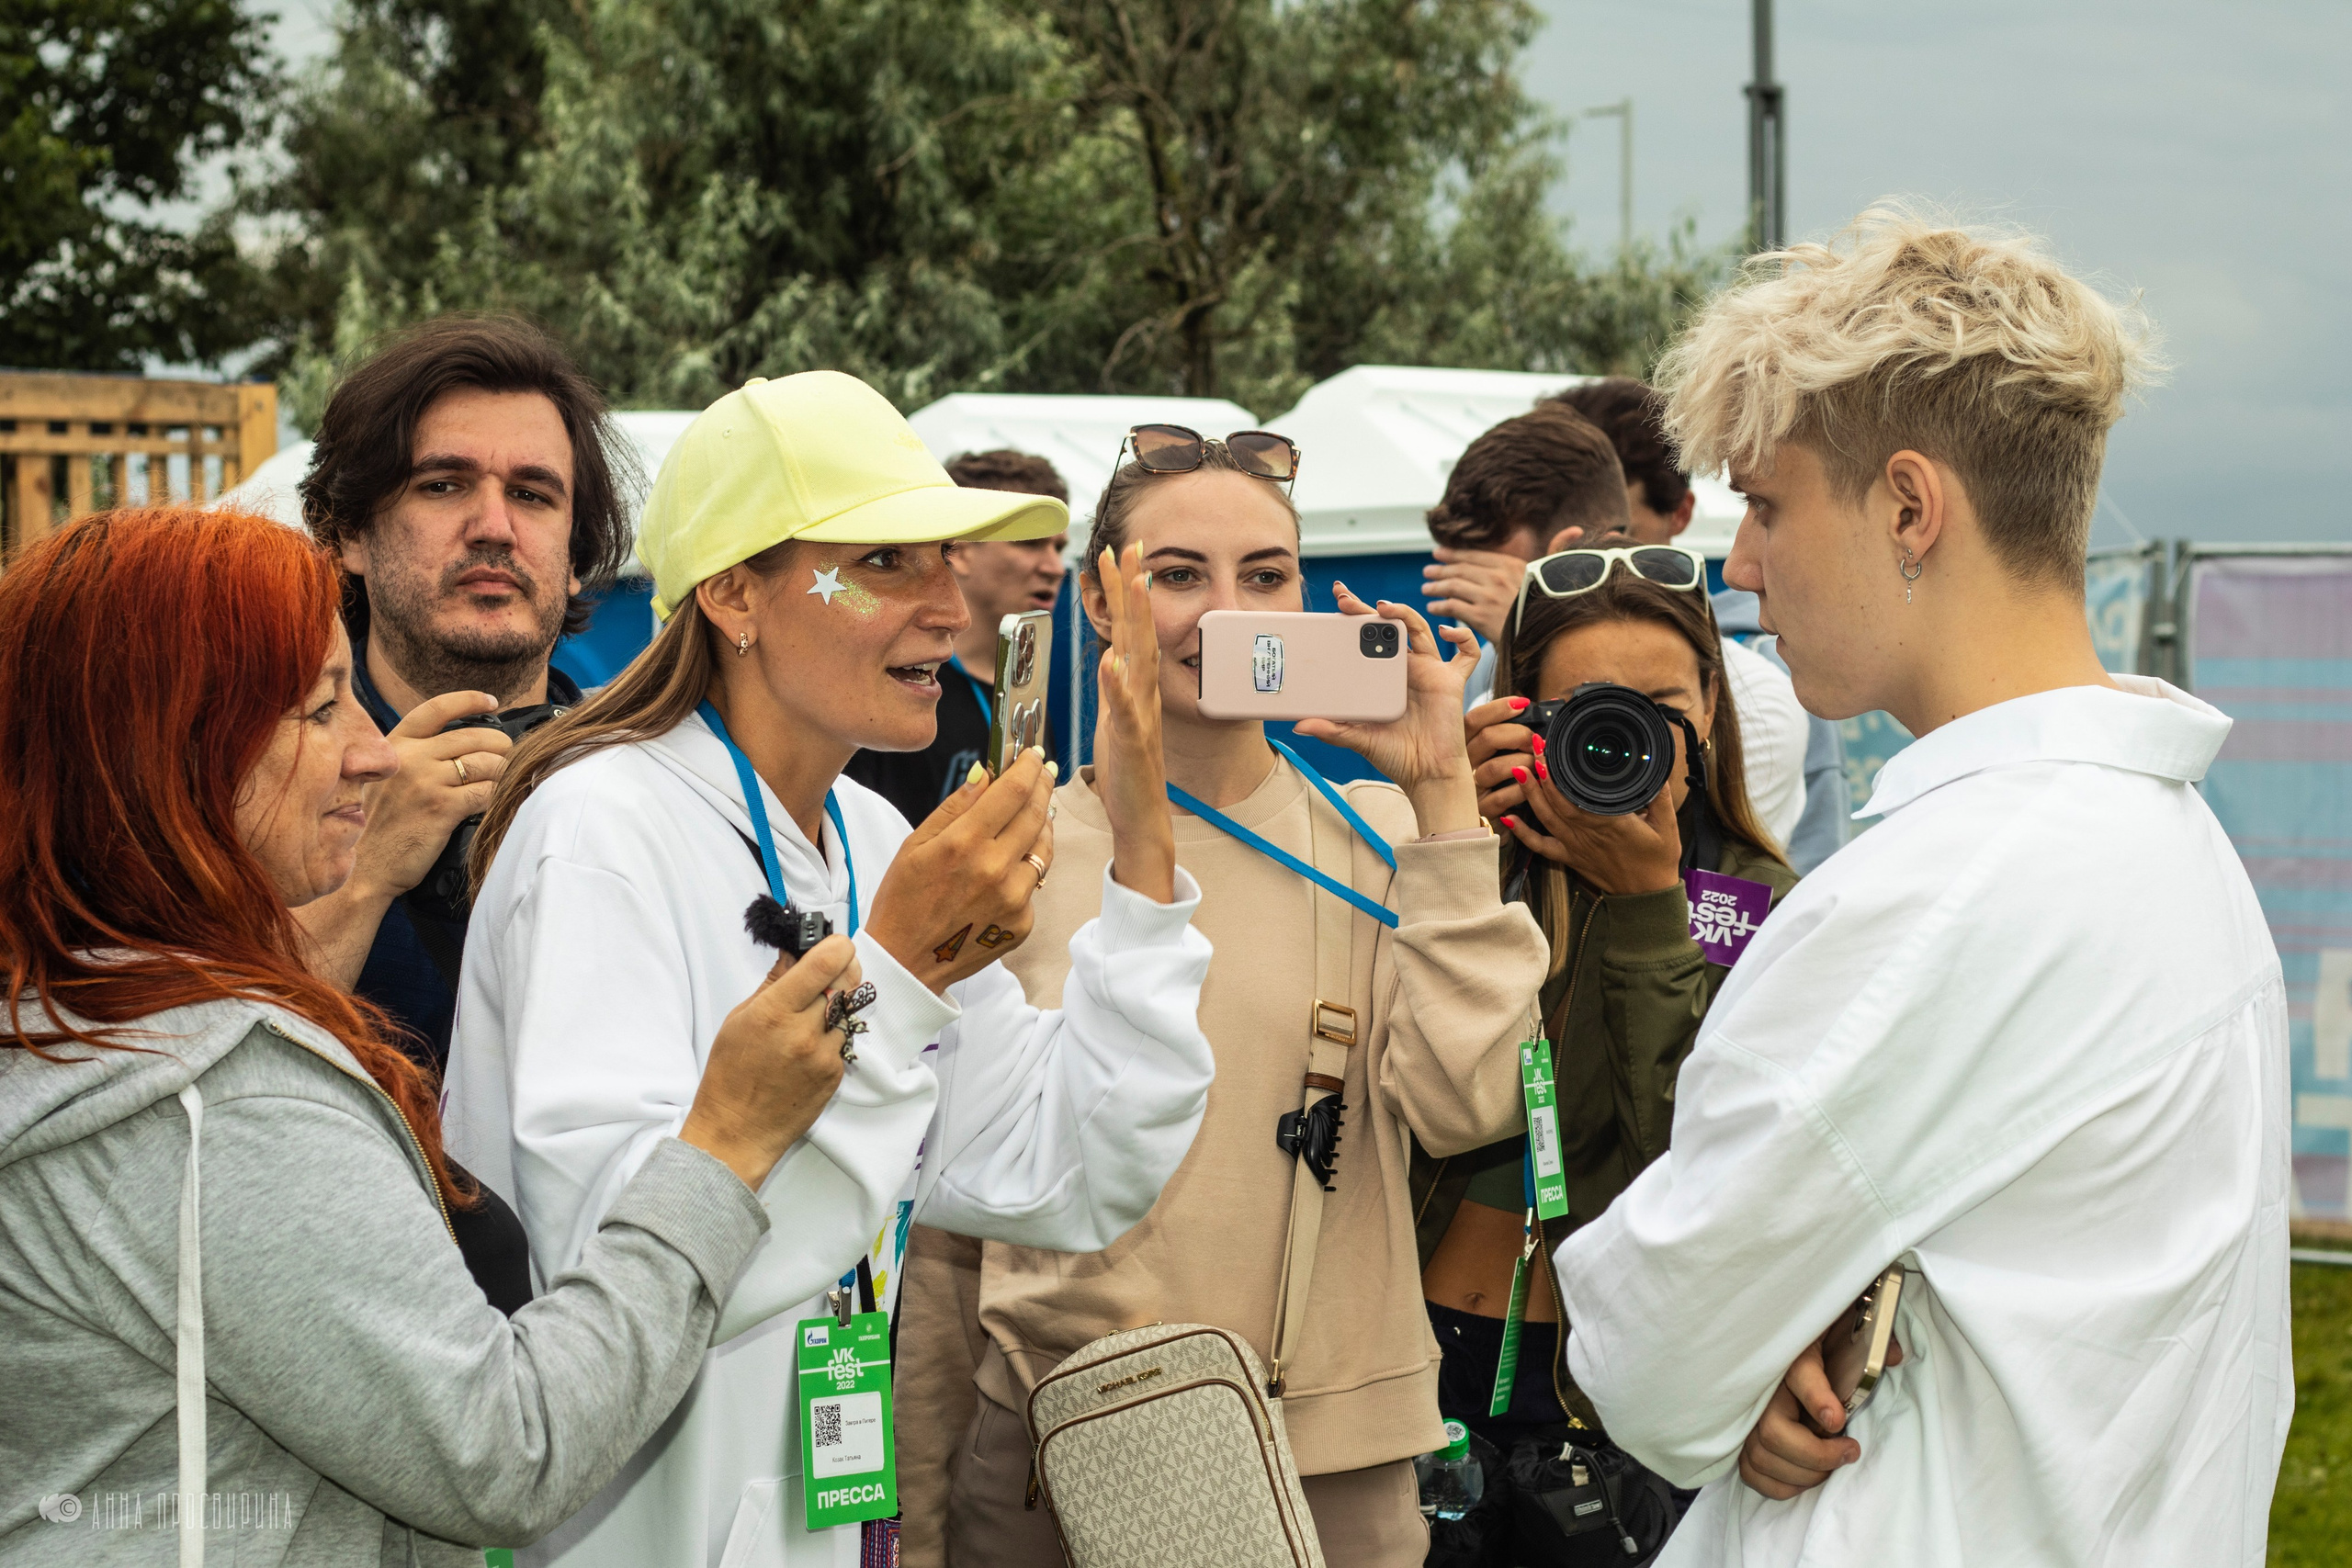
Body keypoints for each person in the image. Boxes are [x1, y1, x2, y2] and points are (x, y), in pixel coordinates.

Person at [1553, 209, 2290, 1566]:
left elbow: (1645, 1353)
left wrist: (1749, 1339)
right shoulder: (2172, 842)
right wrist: (1790, 1322)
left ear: (1908, 507)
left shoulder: (1940, 893)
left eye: (1767, 504)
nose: (1742, 565)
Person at [442, 371, 1217, 1568]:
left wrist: (1146, 858)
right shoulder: (599, 827)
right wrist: (896, 975)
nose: (950, 608)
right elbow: (619, 1248)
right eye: (889, 561)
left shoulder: (866, 835)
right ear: (737, 592)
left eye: (948, 562)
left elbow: (1065, 1161)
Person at [0, 508, 861, 1565]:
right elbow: (512, 1453)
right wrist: (725, 1142)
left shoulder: (81, 1008)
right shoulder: (215, 1107)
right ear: (165, 752)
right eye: (322, 710)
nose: (372, 753)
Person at [892, 430, 1552, 1568]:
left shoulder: (1383, 835)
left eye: (1264, 576)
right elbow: (949, 1235)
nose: (1221, 614)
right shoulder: (1008, 845)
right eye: (1176, 575)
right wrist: (915, 1511)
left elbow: (1476, 1105)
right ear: (1102, 602)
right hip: (1062, 1455)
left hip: (1327, 1465)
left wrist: (1444, 794)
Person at [1414, 531, 1799, 1562]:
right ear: (1513, 714)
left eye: (1659, 714)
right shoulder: (1452, 861)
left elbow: (1694, 1164)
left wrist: (1644, 910)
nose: (1620, 744)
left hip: (1617, 1376)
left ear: (1712, 710)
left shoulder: (1757, 905)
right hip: (1422, 1355)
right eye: (1582, 714)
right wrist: (1448, 821)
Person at [291, 315, 636, 1073]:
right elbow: (203, 1079)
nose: (494, 527)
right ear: (349, 533)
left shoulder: (648, 777)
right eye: (443, 485)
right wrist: (368, 872)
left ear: (578, 556)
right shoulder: (252, 784)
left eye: (533, 493)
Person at [1546, 378, 1825, 862]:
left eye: (1619, 535)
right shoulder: (1491, 682)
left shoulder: (1761, 698)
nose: (1602, 566)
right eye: (1575, 556)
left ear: (1711, 703)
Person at [847, 448, 1071, 821]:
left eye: (1059, 548)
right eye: (1031, 544)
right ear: (961, 551)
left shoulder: (1027, 695)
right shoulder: (897, 684)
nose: (1054, 567)